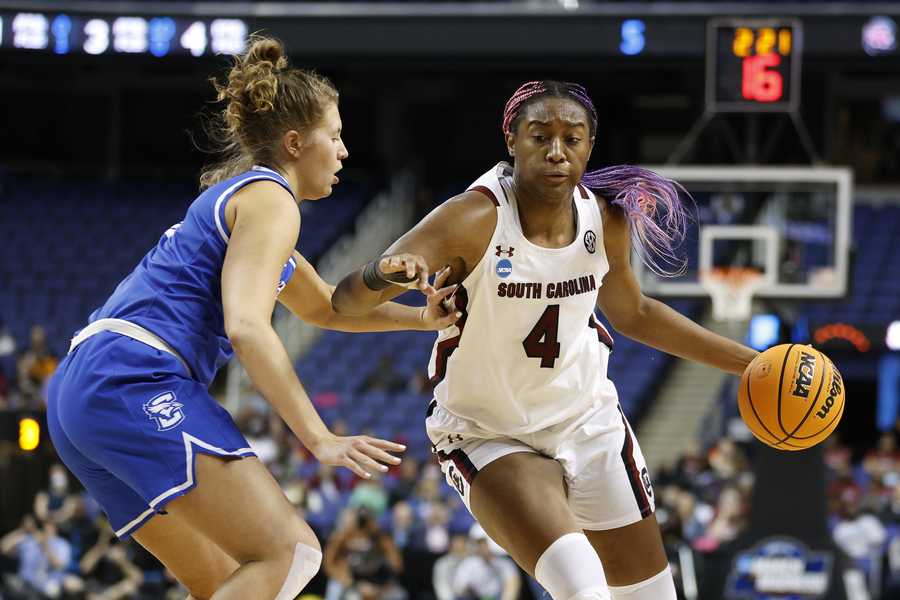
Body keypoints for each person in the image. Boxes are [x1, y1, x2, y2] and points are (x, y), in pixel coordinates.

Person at [46, 36, 458, 600]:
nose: (343, 152)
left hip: (83, 393)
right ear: (294, 142)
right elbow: (245, 327)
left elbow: (329, 307)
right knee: (292, 552)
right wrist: (318, 437)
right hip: (132, 377)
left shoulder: (249, 206)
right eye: (334, 136)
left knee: (224, 582)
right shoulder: (272, 200)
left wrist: (421, 319)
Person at [332, 80, 759, 600]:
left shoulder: (605, 218)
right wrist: (382, 273)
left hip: (586, 420)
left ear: (589, 145)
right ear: (512, 140)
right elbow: (345, 302)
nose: (557, 152)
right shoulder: (473, 218)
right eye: (540, 137)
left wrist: (751, 364)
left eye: (572, 138)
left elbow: (637, 313)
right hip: (489, 432)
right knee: (583, 590)